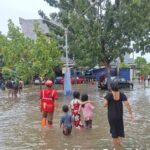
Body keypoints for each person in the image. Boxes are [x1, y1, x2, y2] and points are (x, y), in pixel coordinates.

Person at [103, 82, 133, 146]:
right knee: (120, 130)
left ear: (111, 88)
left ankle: (115, 146)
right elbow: (127, 104)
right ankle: (119, 145)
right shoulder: (122, 94)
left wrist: (108, 102)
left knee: (114, 131)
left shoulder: (109, 95)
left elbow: (104, 105)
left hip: (111, 116)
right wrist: (131, 114)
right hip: (119, 116)